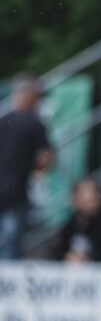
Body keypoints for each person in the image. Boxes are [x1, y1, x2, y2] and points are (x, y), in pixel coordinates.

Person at [0, 75, 52, 259]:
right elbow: (45, 161)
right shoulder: (34, 123)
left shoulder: (4, 120)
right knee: (10, 248)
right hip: (16, 194)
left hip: (10, 192)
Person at [51, 178, 101, 263]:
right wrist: (67, 256)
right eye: (84, 197)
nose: (89, 201)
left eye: (92, 197)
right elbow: (58, 250)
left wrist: (86, 258)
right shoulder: (71, 224)